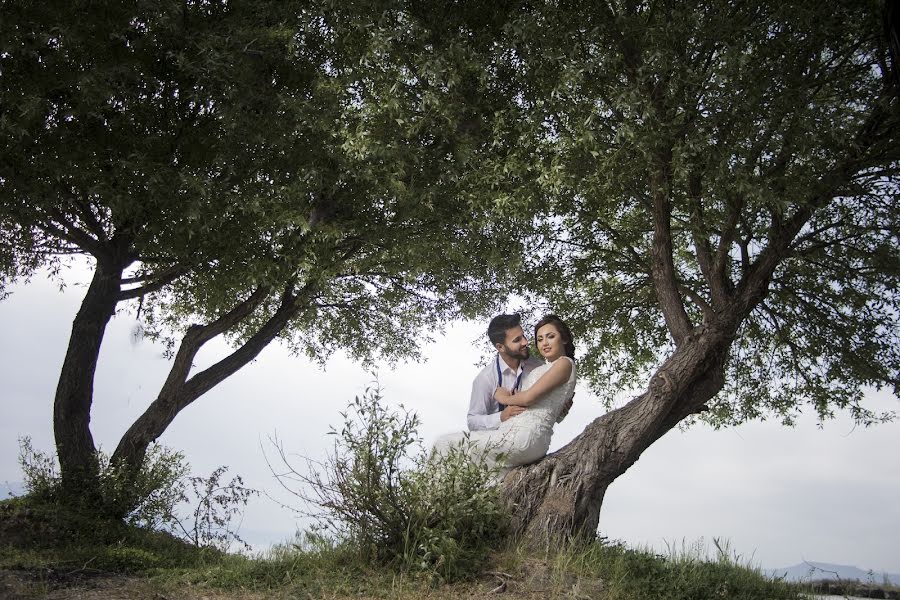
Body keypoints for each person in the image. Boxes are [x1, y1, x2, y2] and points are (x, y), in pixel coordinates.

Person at [434, 314, 577, 471]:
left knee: (445, 444)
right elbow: (473, 421)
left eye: (524, 336)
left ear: (563, 338)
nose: (525, 342)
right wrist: (501, 417)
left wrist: (504, 398)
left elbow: (537, 403)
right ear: (500, 347)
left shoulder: (539, 366)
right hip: (505, 434)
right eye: (517, 340)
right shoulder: (486, 379)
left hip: (526, 437)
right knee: (452, 450)